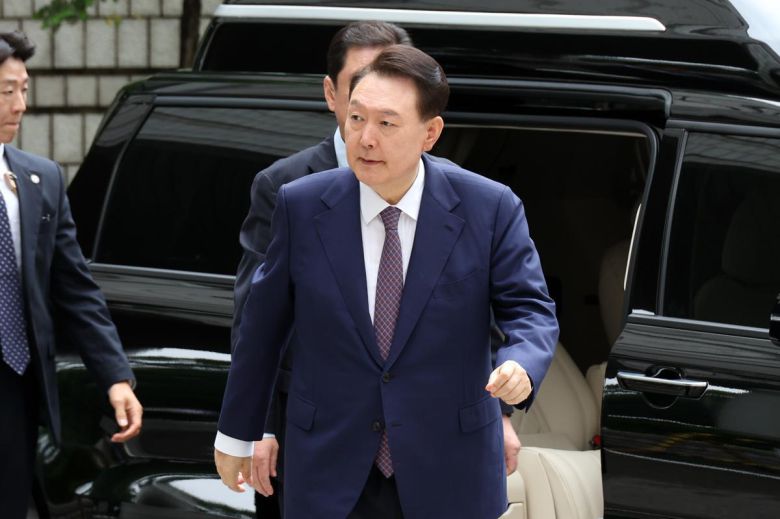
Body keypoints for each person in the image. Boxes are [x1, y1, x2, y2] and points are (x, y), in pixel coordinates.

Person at [217, 45, 558, 517]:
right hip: (330, 466)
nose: (365, 138)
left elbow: (529, 309)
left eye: (386, 123)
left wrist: (521, 363)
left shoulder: (489, 208)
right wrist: (237, 433)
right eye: (356, 119)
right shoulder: (302, 205)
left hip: (450, 467)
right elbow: (262, 327)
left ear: (430, 133)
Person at [0, 31, 142, 519]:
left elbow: (76, 288)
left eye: (24, 89)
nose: (20, 105)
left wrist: (116, 376)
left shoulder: (40, 179)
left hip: (16, 389)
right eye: (7, 91)